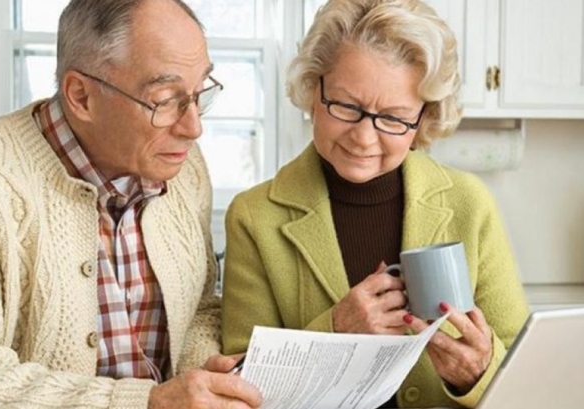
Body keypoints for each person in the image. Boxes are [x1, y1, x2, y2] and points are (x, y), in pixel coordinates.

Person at [221, 0, 529, 408]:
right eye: (348, 107)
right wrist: (335, 332)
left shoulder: (469, 204)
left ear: (423, 118)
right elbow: (239, 390)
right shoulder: (254, 216)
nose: (364, 139)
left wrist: (477, 373)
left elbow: (528, 379)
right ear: (314, 89)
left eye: (394, 117)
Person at [0, 0, 262, 408]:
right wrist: (149, 402)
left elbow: (201, 307)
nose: (194, 127)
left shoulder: (184, 168)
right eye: (163, 100)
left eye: (198, 93)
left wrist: (201, 381)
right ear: (81, 96)